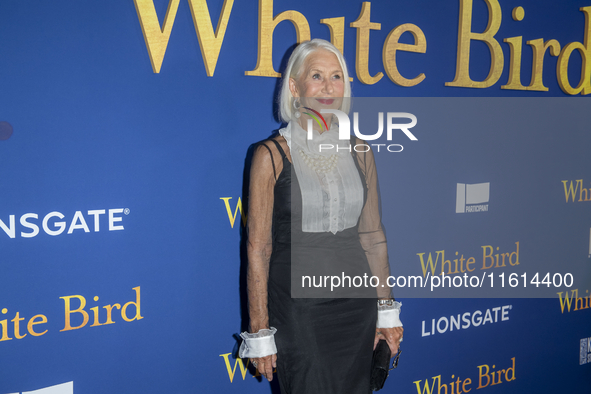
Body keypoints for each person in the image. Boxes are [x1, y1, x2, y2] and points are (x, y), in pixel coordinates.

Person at [239, 39, 403, 394]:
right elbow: (258, 248)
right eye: (317, 76)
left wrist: (387, 310)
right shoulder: (270, 156)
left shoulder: (361, 151)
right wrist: (259, 330)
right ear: (295, 88)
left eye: (337, 77)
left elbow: (372, 237)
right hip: (300, 311)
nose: (329, 87)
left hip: (356, 306)